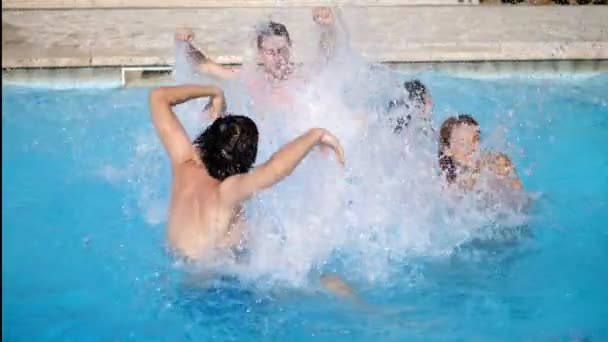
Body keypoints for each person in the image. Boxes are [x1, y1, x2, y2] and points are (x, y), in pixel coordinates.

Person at [148, 84, 345, 262]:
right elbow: (275, 169)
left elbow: (158, 97)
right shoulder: (227, 191)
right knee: (328, 281)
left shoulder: (184, 163)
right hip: (213, 284)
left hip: (178, 263)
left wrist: (213, 91)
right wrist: (315, 134)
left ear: (207, 139)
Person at [438, 114, 522, 191]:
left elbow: (520, 199)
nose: (472, 148)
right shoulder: (443, 184)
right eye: (463, 143)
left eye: (475, 139)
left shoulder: (498, 163)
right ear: (447, 150)